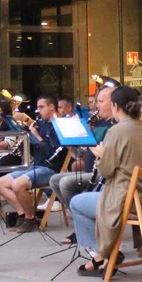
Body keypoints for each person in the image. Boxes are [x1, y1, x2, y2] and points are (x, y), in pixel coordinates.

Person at [70, 86, 142, 276]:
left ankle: (101, 254)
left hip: (130, 200)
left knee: (77, 203)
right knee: (95, 199)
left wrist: (101, 155)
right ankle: (106, 253)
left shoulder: (117, 131)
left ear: (115, 106)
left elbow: (106, 171)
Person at [50, 85, 115, 245]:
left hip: (103, 173)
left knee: (66, 183)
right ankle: (83, 223)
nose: (96, 106)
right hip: (91, 170)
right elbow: (83, 153)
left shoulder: (114, 126)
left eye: (100, 102)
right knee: (55, 180)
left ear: (114, 103)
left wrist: (88, 140)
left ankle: (85, 227)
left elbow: (105, 154)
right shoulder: (99, 123)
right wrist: (74, 142)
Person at [0, 94, 61, 232]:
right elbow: (34, 152)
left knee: (17, 184)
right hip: (36, 165)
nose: (38, 111)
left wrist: (37, 137)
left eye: (41, 107)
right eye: (38, 107)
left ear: (51, 107)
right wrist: (28, 137)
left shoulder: (59, 126)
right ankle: (23, 215)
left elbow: (53, 155)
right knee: (1, 183)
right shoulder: (40, 124)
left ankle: (30, 218)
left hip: (51, 169)